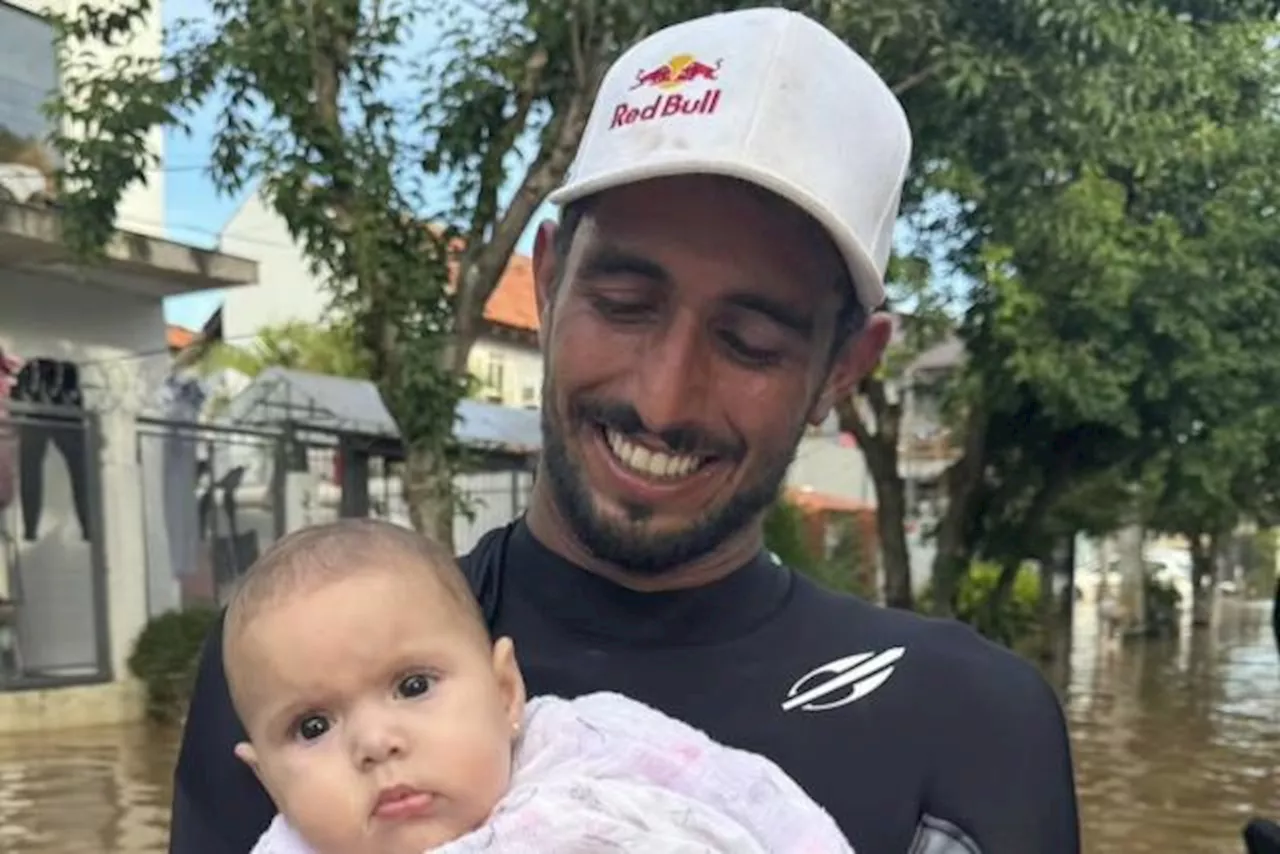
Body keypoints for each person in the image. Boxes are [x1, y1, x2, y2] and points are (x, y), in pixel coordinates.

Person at [170, 8, 1081, 854]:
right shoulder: (301, 675)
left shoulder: (971, 730)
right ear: (551, 275)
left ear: (844, 369)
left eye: (749, 341)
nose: (664, 398)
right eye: (624, 304)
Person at [228, 518, 852, 854]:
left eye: (413, 686)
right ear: (267, 782)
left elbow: (746, 797)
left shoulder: (595, 754)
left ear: (505, 693)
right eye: (313, 727)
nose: (374, 741)